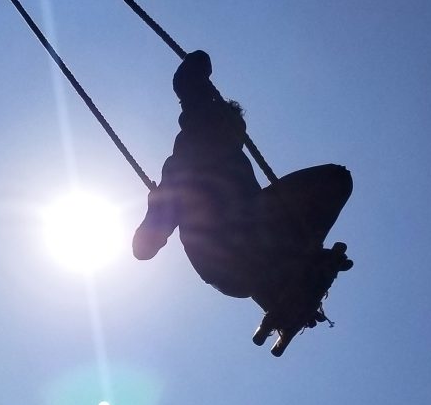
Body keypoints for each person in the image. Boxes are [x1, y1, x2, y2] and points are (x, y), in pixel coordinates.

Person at [133, 51, 352, 318]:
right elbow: (143, 248)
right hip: (226, 253)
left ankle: (289, 283)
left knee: (337, 179)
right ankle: (288, 279)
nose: (237, 137)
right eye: (235, 129)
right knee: (334, 180)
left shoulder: (231, 161)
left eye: (239, 132)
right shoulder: (191, 155)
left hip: (242, 260)